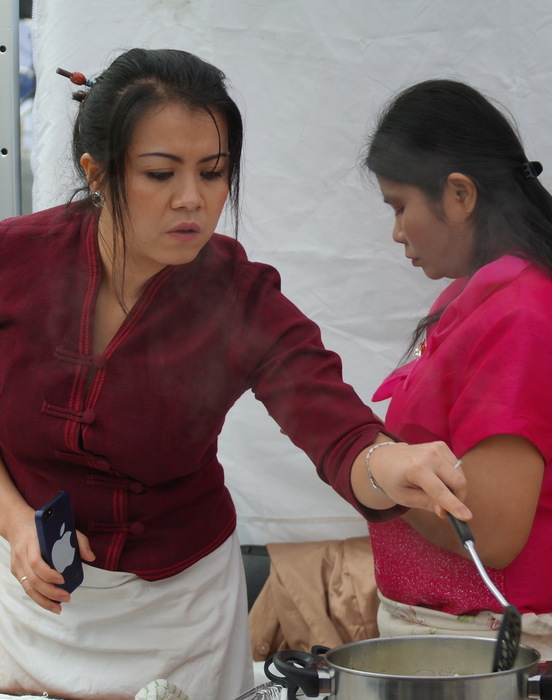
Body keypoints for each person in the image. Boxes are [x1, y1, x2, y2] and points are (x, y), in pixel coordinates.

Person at [0, 48, 469, 700]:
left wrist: (389, 464)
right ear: (97, 172)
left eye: (214, 172)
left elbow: (335, 429)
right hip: (26, 594)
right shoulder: (14, 260)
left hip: (177, 612)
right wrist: (16, 523)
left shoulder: (239, 298)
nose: (192, 198)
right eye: (160, 173)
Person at [361, 79, 552, 700]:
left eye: (399, 206)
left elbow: (489, 532)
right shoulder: (479, 298)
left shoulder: (521, 316)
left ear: (459, 194)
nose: (397, 231)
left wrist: (365, 466)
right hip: (459, 638)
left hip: (504, 650)